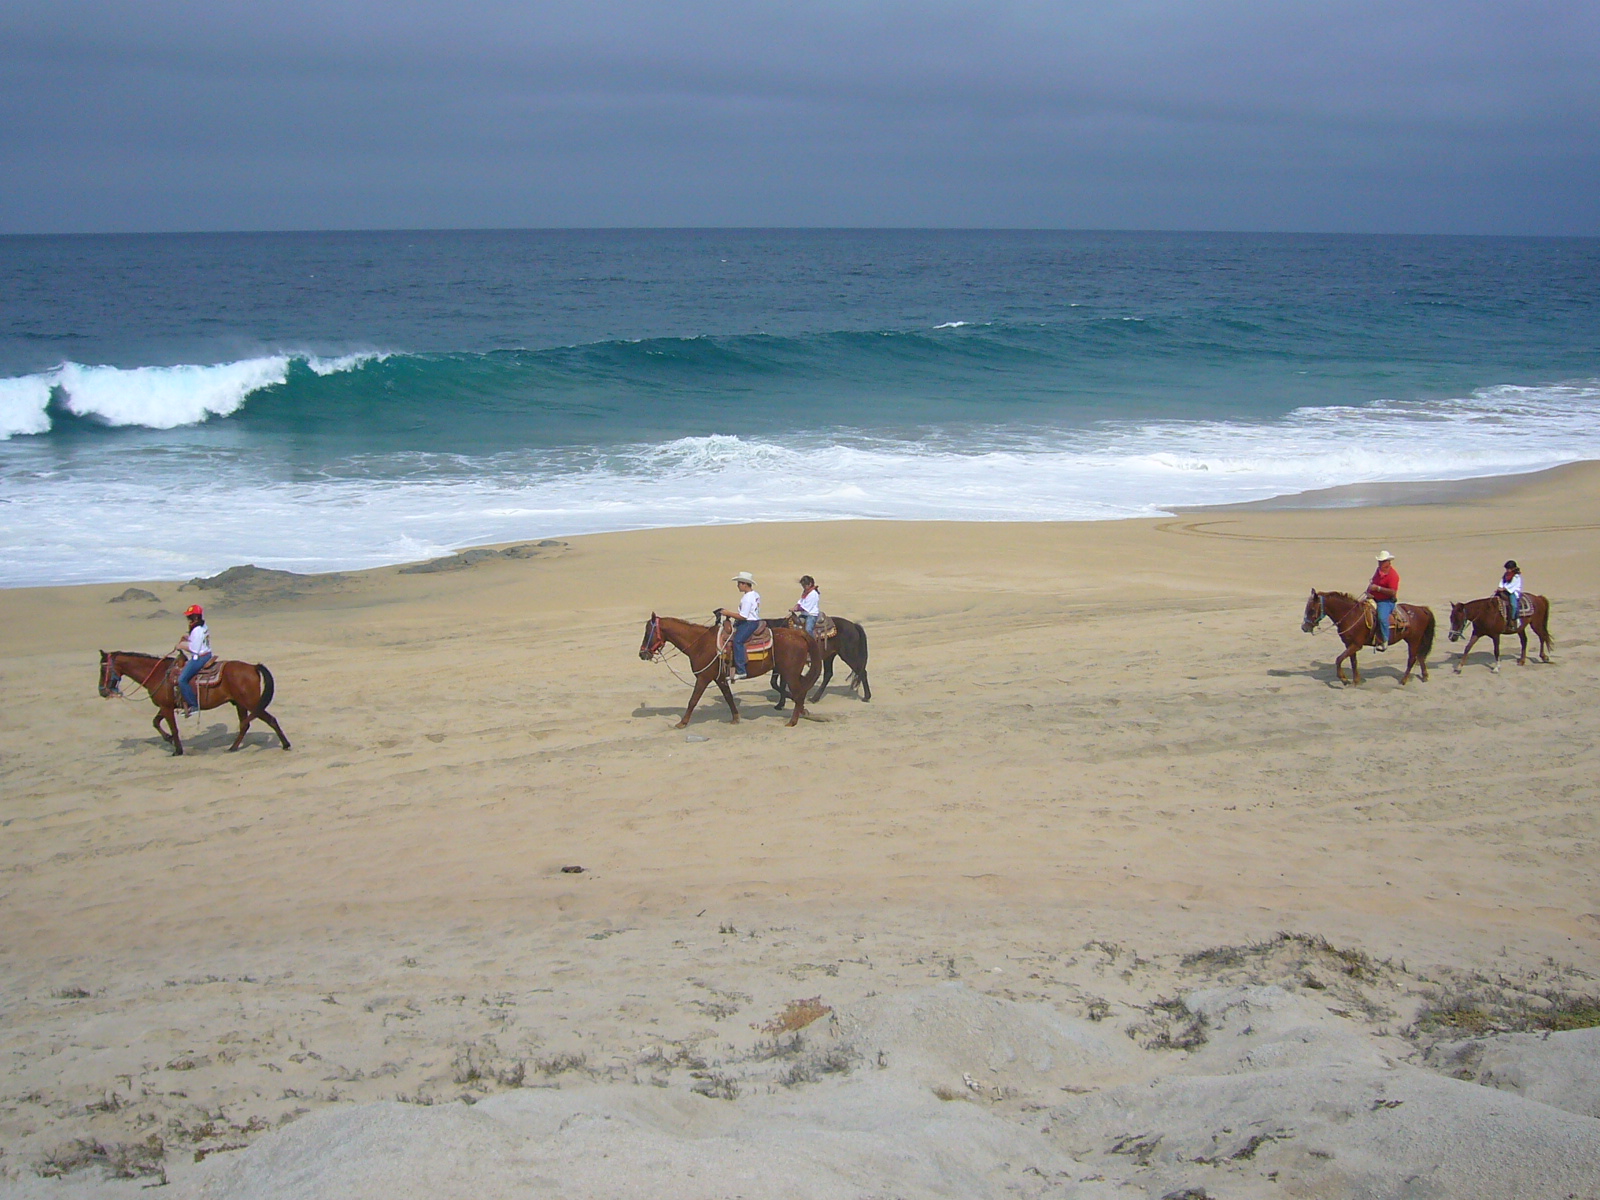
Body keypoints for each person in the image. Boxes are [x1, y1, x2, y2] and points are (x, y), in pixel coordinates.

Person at [715, 572, 761, 679]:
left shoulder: (747, 598)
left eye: (739, 583)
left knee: (738, 641)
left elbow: (743, 616)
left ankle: (741, 670)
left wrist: (727, 613)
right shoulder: (755, 594)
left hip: (749, 623)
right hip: (753, 620)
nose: (738, 585)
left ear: (745, 584)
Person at [175, 604, 213, 717]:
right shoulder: (203, 626)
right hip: (208, 653)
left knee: (182, 679)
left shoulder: (197, 630)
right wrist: (188, 639)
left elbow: (194, 649)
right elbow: (198, 641)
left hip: (199, 658)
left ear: (196, 618)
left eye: (190, 617)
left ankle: (193, 704)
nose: (188, 620)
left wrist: (181, 645)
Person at [1366, 551, 1399, 651]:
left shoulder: (1393, 575)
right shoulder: (1378, 571)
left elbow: (1393, 592)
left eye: (1382, 561)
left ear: (1388, 562)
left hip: (1386, 601)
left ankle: (1385, 641)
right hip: (1374, 598)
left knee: (1382, 618)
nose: (1380, 564)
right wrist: (1369, 591)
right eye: (1379, 561)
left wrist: (1378, 589)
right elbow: (1373, 582)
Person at [1497, 560, 1525, 626]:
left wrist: (1504, 588)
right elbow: (1502, 582)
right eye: (1507, 569)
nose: (1507, 570)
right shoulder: (1505, 575)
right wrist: (1499, 588)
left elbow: (1512, 585)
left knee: (1513, 605)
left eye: (1509, 569)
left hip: (1513, 591)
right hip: (1504, 590)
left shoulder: (1516, 577)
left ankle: (1514, 618)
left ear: (1513, 568)